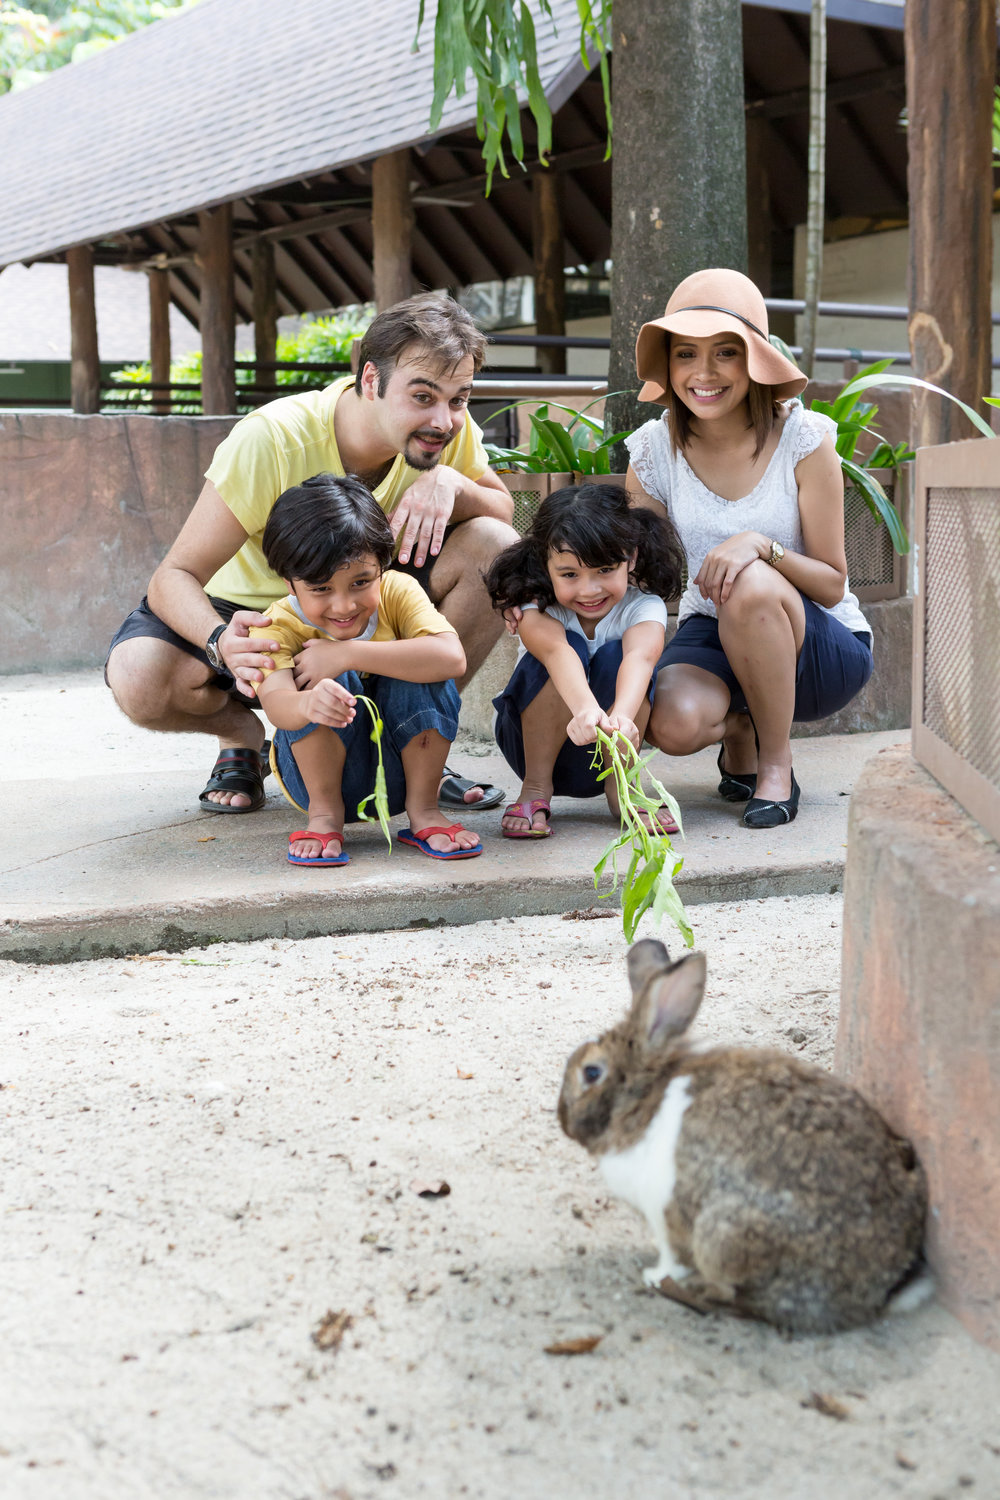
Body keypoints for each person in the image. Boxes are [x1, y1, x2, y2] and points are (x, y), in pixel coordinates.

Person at [104, 292, 516, 816]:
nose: (444, 419)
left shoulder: (444, 435)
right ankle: (243, 739)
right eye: (423, 396)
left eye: (459, 398)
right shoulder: (271, 439)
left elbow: (503, 512)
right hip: (251, 617)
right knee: (139, 674)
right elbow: (173, 576)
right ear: (371, 381)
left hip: (370, 602)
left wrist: (452, 484)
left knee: (496, 548)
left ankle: (415, 739)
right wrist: (218, 642)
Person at [624, 267, 874, 829]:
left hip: (816, 641)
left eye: (726, 353)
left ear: (756, 360)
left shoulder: (805, 442)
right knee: (676, 724)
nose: (704, 373)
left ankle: (775, 764)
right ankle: (740, 730)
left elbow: (834, 582)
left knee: (752, 583)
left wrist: (762, 547)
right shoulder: (650, 453)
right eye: (686, 354)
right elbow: (645, 578)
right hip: (711, 626)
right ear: (668, 364)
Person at [251, 473, 482, 865]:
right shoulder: (276, 624)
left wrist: (347, 653)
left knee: (422, 662)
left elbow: (452, 658)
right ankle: (324, 819)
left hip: (403, 774)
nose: (343, 606)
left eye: (361, 582)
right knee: (324, 682)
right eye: (321, 589)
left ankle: (424, 810)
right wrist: (309, 704)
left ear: (382, 566)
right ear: (291, 584)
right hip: (320, 783)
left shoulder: (398, 591)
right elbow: (276, 704)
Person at [484, 482, 685, 837]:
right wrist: (585, 710)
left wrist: (620, 719)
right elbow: (556, 652)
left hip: (613, 748)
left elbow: (641, 657)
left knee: (616, 655)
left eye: (605, 570)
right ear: (546, 564)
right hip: (532, 747)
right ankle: (535, 788)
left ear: (631, 558)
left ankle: (623, 787)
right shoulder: (535, 605)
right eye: (570, 575)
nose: (589, 590)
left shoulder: (643, 606)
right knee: (571, 645)